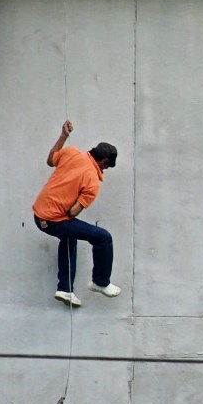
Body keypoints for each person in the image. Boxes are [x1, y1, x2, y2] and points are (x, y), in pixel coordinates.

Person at [32, 120, 121, 307]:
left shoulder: (72, 153)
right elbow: (72, 212)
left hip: (38, 215)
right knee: (103, 238)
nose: (105, 170)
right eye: (107, 167)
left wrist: (63, 136)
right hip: (54, 219)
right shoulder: (93, 182)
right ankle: (100, 282)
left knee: (69, 236)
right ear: (104, 161)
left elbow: (50, 160)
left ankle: (64, 289)